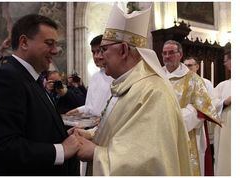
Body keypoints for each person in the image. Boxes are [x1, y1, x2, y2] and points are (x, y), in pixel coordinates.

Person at [74, 5, 192, 176]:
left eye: (104, 49)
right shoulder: (127, 84)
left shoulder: (153, 92)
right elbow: (123, 129)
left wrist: (96, 153)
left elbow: (150, 157)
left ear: (123, 50)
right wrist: (91, 134)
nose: (100, 56)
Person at [0, 14, 80, 175]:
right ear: (24, 42)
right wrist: (60, 150)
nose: (55, 51)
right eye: (49, 43)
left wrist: (61, 134)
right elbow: (0, 147)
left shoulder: (31, 77)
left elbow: (30, 126)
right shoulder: (5, 78)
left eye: (56, 44)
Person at [162, 40, 221, 176]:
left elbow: (203, 108)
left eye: (171, 53)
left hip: (187, 133)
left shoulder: (194, 79)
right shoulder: (156, 77)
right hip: (161, 133)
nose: (167, 56)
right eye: (164, 53)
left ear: (180, 54)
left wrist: (176, 118)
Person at [66, 35, 114, 117]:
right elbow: (91, 107)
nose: (96, 56)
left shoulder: (115, 75)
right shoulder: (95, 77)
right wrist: (78, 110)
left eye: (99, 51)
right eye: (93, 52)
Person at [213, 44, 231, 176]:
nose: (225, 64)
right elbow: (210, 106)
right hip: (227, 129)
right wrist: (225, 102)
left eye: (226, 61)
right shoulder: (223, 86)